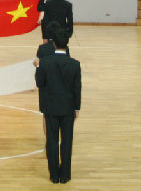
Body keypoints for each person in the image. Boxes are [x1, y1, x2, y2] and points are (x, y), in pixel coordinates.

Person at [34, 31, 81, 184]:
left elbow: (39, 83)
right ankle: (65, 175)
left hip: (51, 108)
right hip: (68, 108)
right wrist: (77, 108)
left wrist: (37, 67)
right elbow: (77, 88)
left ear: (53, 43)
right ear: (67, 43)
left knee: (52, 141)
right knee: (67, 142)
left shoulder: (45, 62)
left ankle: (54, 175)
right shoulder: (75, 64)